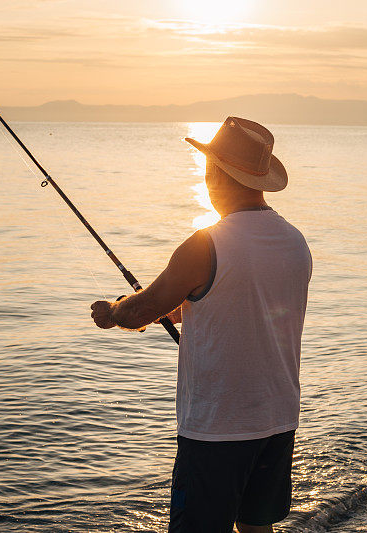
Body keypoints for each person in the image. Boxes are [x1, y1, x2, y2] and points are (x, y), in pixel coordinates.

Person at [90, 117, 312, 532]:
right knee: (256, 528)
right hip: (278, 419)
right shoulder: (294, 241)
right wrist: (173, 310)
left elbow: (142, 310)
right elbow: (228, 300)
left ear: (215, 173)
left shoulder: (205, 243)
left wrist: (113, 311)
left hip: (218, 430)